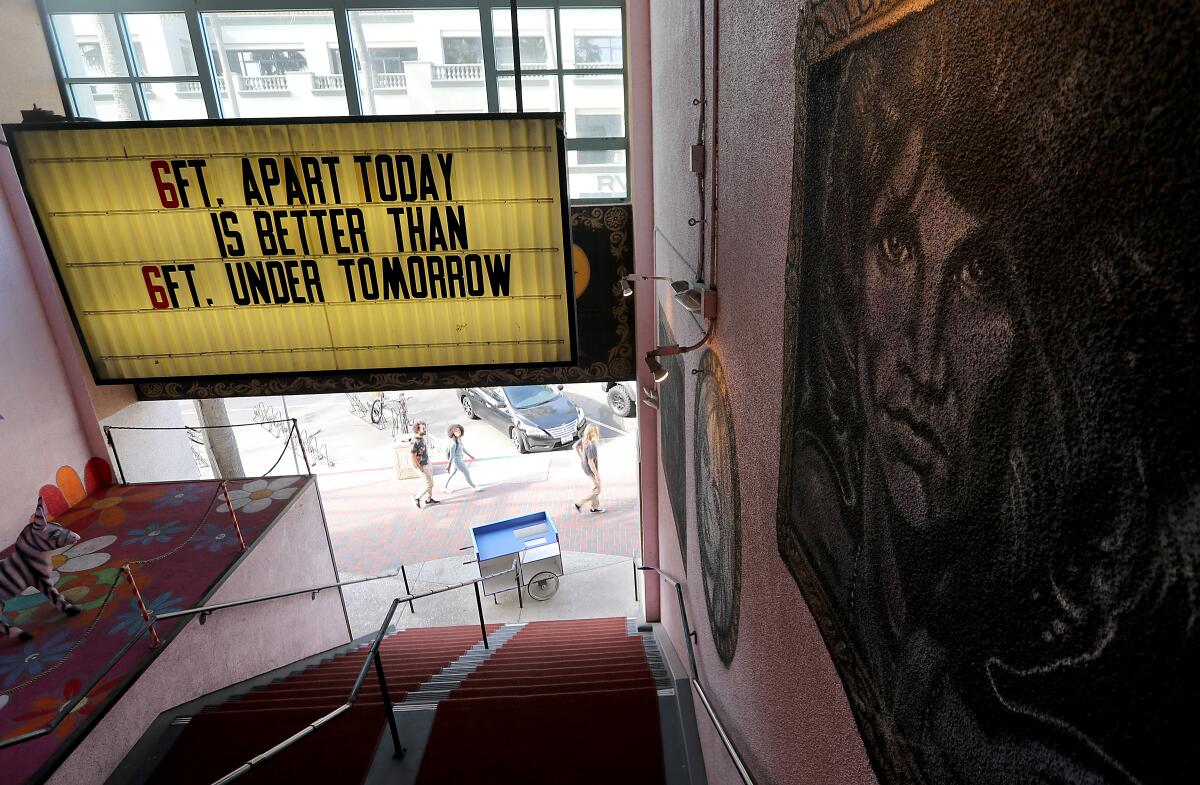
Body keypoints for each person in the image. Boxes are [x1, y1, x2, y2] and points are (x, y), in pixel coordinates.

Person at [779, 2, 1198, 783]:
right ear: (851, 254)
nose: (924, 356)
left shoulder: (1045, 715)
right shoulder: (824, 502)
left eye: (981, 275)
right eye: (898, 245)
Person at [573, 424, 604, 513]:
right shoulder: (591, 446)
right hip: (591, 470)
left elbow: (574, 446)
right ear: (594, 433)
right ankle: (579, 503)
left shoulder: (584, 440)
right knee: (597, 490)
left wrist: (581, 458)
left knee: (595, 487)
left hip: (585, 467)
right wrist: (597, 475)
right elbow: (591, 462)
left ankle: (595, 507)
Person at [409, 420, 439, 509]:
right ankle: (417, 497)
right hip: (421, 466)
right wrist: (421, 469)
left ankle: (429, 499)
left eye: (424, 427)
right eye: (423, 428)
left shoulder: (421, 437)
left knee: (430, 481)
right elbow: (413, 458)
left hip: (427, 462)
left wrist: (429, 461)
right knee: (429, 483)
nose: (425, 429)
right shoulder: (414, 442)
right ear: (417, 430)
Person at [444, 424, 480, 492]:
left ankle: (444, 487)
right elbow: (451, 456)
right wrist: (448, 466)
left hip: (460, 459)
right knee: (466, 472)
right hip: (457, 460)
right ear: (453, 433)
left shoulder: (459, 439)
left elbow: (463, 449)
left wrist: (470, 455)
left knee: (452, 474)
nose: (458, 432)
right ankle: (474, 487)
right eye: (456, 431)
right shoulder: (453, 444)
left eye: (459, 430)